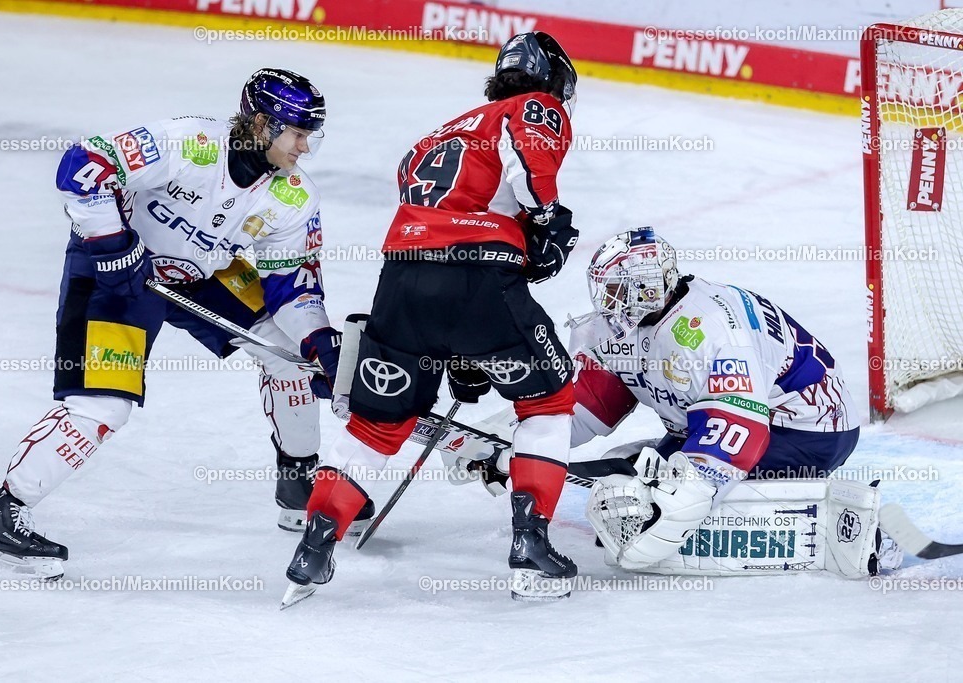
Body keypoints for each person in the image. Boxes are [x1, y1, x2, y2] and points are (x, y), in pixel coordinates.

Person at [0, 68, 371, 579]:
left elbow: (291, 284)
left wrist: (317, 341)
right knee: (104, 406)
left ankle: (298, 482)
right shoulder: (191, 143)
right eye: (297, 133)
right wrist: (111, 242)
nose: (305, 148)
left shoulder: (293, 195)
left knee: (289, 356)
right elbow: (84, 162)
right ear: (263, 125)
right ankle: (3, 510)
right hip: (119, 274)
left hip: (206, 273)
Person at [282, 32, 582, 603]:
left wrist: (463, 347)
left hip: (401, 276)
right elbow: (530, 156)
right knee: (548, 400)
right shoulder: (534, 106)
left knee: (376, 425)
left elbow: (432, 200)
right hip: (478, 273)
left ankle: (316, 542)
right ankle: (530, 543)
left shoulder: (436, 136)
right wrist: (545, 220)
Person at [569, 228, 900, 575]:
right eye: (606, 290)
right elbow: (593, 402)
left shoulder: (710, 331)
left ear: (649, 290)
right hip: (726, 418)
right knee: (627, 477)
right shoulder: (643, 320)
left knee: (668, 498)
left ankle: (866, 532)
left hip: (808, 428)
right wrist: (525, 439)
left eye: (617, 291)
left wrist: (682, 500)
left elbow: (740, 430)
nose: (607, 302)